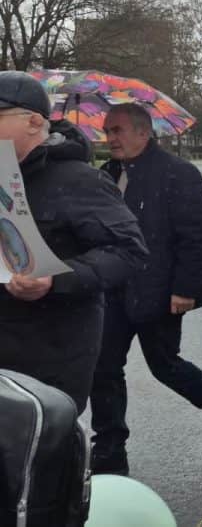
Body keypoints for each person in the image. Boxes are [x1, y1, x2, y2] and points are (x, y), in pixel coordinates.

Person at [90, 104, 202, 476]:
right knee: (103, 367)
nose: (111, 138)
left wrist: (184, 288)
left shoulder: (178, 173)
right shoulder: (107, 174)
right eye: (108, 131)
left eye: (118, 130)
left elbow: (196, 236)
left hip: (158, 290)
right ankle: (110, 452)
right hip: (113, 289)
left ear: (144, 132)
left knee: (165, 366)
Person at [0, 71, 147, 414]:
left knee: (40, 458)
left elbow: (129, 251)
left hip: (50, 357)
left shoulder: (80, 180)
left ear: (34, 122)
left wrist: (56, 280)